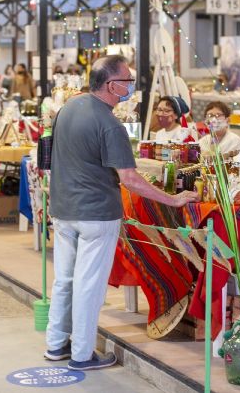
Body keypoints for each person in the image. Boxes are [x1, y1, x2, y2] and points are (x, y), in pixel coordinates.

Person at [45, 55, 199, 370]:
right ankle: (82, 355)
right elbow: (129, 178)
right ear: (113, 85)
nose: (131, 86)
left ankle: (56, 345)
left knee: (64, 280)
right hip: (96, 214)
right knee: (88, 285)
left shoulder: (68, 109)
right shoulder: (109, 123)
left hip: (62, 209)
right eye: (127, 81)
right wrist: (172, 200)